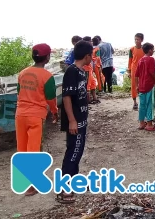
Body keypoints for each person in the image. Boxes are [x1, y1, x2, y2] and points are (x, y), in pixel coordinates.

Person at [15, 43, 59, 197]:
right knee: (34, 149)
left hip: (20, 115)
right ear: (47, 58)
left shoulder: (22, 73)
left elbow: (19, 93)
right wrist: (54, 112)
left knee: (22, 148)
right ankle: (31, 186)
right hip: (36, 116)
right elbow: (51, 99)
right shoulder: (47, 77)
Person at [57, 40, 92, 204]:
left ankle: (74, 182)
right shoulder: (71, 71)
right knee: (73, 152)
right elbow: (66, 97)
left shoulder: (81, 72)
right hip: (75, 121)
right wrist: (71, 120)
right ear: (87, 56)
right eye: (91, 56)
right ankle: (65, 188)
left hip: (81, 119)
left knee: (77, 152)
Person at [135, 43, 155, 131]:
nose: (153, 51)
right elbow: (151, 72)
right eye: (152, 49)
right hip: (149, 85)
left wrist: (137, 86)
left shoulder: (141, 60)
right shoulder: (151, 59)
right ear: (149, 50)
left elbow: (136, 74)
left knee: (142, 105)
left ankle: (142, 123)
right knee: (150, 104)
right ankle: (149, 124)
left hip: (141, 85)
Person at [127, 33, 145, 110]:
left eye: (138, 39)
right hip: (134, 68)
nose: (136, 41)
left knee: (142, 84)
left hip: (143, 68)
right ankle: (135, 102)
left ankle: (142, 101)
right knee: (134, 85)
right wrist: (129, 71)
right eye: (135, 39)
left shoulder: (144, 48)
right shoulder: (131, 49)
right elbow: (130, 61)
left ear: (142, 40)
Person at [81, 37, 99, 104]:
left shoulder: (91, 49)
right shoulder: (84, 50)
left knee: (93, 83)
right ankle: (88, 100)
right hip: (86, 68)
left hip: (90, 68)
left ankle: (94, 98)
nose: (92, 42)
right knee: (88, 84)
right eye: (90, 41)